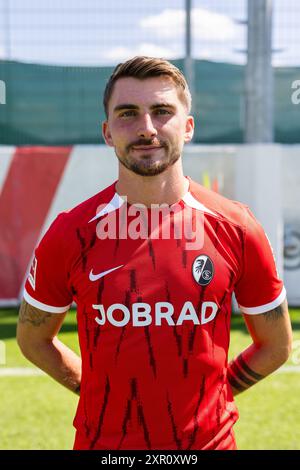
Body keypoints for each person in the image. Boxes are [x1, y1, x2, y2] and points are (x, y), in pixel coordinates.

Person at [17, 56, 292, 451]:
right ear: (108, 132)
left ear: (189, 126)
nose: (146, 128)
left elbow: (276, 345)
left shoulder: (237, 227)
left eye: (162, 112)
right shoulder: (70, 234)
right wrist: (95, 392)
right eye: (128, 114)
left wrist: (215, 395)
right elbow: (33, 339)